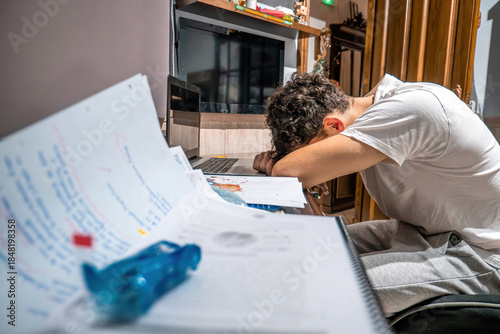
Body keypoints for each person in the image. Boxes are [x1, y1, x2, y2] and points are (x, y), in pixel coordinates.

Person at [253, 72, 500, 317]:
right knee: (314, 248)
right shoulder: (376, 110)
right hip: (422, 231)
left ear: (334, 125)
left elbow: (289, 170)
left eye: (313, 152)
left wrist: (285, 167)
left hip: (478, 254)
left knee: (314, 288)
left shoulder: (412, 108)